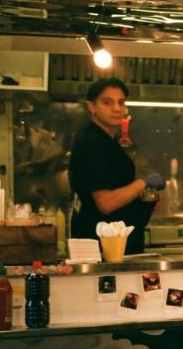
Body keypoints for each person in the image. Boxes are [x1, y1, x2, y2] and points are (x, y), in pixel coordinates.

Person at [68, 78, 165, 255]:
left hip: (117, 250)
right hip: (105, 253)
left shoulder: (108, 142)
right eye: (107, 102)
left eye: (121, 102)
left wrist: (139, 199)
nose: (117, 108)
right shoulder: (92, 144)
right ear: (92, 107)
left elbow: (114, 189)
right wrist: (143, 182)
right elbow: (106, 203)